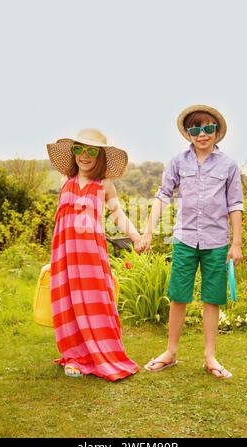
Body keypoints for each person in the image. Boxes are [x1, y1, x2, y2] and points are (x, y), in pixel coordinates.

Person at [141, 105, 244, 379]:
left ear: (216, 131)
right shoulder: (177, 162)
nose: (202, 134)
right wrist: (148, 231)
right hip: (185, 238)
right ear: (188, 133)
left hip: (217, 241)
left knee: (212, 299)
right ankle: (170, 352)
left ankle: (210, 357)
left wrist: (236, 243)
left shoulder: (229, 166)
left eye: (208, 128)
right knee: (178, 296)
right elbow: (163, 195)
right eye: (196, 129)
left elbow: (235, 204)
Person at [47, 128, 141, 381]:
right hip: (64, 253)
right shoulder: (65, 181)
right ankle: (75, 356)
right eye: (79, 149)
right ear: (73, 152)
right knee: (67, 303)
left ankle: (102, 354)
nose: (84, 156)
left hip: (90, 254)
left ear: (100, 156)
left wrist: (136, 237)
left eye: (91, 151)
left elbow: (117, 215)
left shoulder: (104, 185)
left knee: (96, 302)